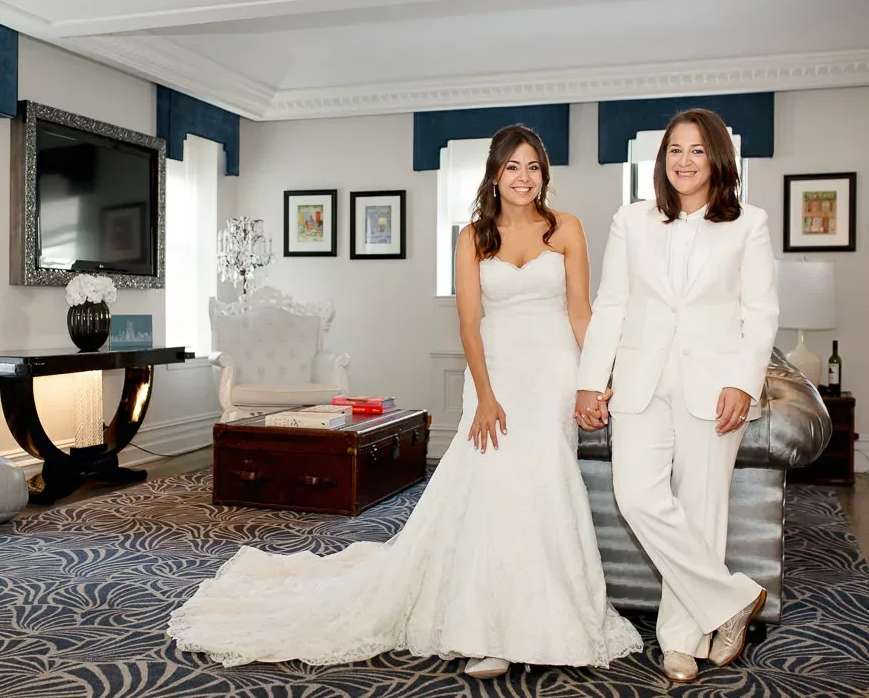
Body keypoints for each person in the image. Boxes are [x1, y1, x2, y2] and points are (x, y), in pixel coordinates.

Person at [167, 124, 643, 678]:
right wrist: (485, 397)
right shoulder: (473, 236)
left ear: (544, 173)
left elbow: (581, 313)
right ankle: (487, 625)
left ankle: (548, 617)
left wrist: (599, 378)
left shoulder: (567, 229)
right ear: (494, 173)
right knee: (492, 486)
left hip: (553, 374)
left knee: (541, 485)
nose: (524, 177)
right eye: (512, 166)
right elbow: (469, 325)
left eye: (533, 166)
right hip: (497, 374)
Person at [574, 108, 779, 683]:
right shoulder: (632, 220)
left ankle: (681, 640)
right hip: (640, 383)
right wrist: (591, 378)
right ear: (661, 161)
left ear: (718, 159)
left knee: (701, 511)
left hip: (715, 387)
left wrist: (744, 381)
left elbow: (760, 312)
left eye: (696, 150)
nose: (684, 161)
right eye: (674, 151)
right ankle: (733, 598)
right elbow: (612, 303)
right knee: (636, 496)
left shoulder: (749, 224)